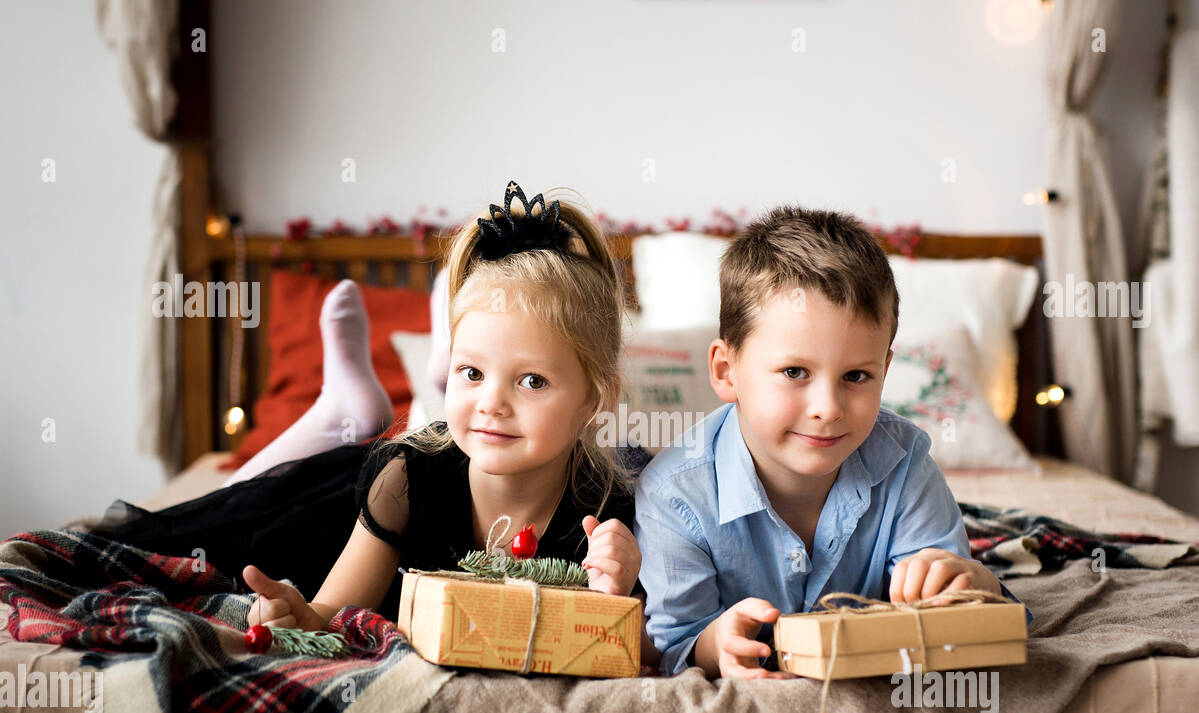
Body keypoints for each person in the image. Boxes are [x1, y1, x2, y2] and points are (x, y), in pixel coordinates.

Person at [96, 181, 642, 630]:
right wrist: (293, 612)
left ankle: (352, 407)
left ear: (596, 398)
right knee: (211, 530)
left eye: (532, 381)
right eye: (471, 373)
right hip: (333, 517)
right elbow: (328, 613)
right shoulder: (405, 480)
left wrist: (615, 595)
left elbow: (638, 644)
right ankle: (339, 412)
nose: (492, 405)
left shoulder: (610, 511)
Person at [634, 205, 1032, 680]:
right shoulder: (675, 495)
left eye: (857, 376)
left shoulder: (905, 465)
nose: (829, 408)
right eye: (794, 372)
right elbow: (672, 643)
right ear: (726, 371)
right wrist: (715, 644)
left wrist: (974, 584)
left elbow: (963, 614)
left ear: (885, 368)